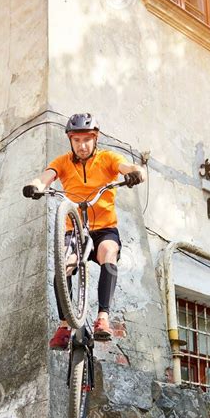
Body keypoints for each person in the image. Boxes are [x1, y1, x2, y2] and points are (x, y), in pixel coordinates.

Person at [23, 113, 145, 349]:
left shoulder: (107, 158)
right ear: (70, 140)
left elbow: (127, 166)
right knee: (64, 266)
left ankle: (103, 319)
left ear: (95, 138)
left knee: (108, 252)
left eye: (86, 139)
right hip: (75, 230)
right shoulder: (63, 162)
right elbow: (46, 177)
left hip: (104, 229)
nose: (82, 145)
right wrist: (35, 186)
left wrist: (135, 171)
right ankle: (63, 325)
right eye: (76, 140)